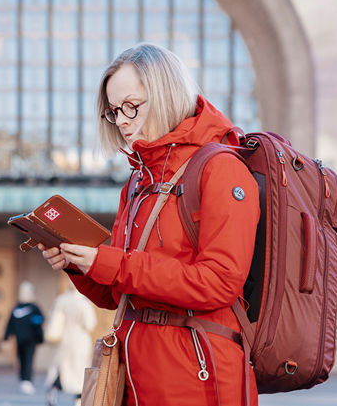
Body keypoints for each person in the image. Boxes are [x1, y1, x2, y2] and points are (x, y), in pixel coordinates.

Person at [40, 43, 260, 406]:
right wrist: (79, 265)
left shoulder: (221, 169)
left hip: (197, 379)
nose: (122, 120)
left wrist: (107, 262)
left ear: (166, 94)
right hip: (137, 376)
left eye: (132, 106)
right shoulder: (139, 181)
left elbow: (218, 283)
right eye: (113, 111)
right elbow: (118, 294)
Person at [44, 282, 97, 406]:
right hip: (80, 341)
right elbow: (90, 324)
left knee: (61, 369)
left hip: (63, 340)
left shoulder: (60, 300)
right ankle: (78, 399)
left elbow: (53, 319)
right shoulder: (84, 302)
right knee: (79, 370)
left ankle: (53, 391)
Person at [4, 281, 45, 395]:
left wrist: (36, 324)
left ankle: (27, 380)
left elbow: (41, 319)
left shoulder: (34, 307)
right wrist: (6, 337)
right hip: (19, 339)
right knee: (21, 359)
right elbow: (10, 323)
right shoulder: (17, 308)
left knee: (29, 359)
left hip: (31, 340)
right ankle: (22, 379)